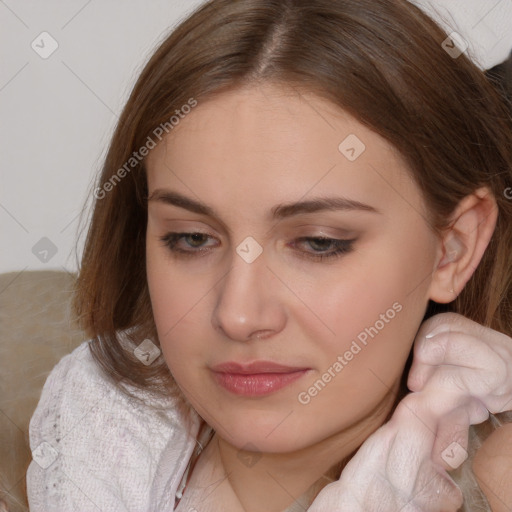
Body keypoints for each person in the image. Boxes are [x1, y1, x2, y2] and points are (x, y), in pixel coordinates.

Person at [26, 0, 512, 510]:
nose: (237, 315)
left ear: (452, 249)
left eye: (319, 243)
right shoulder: (88, 434)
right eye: (192, 238)